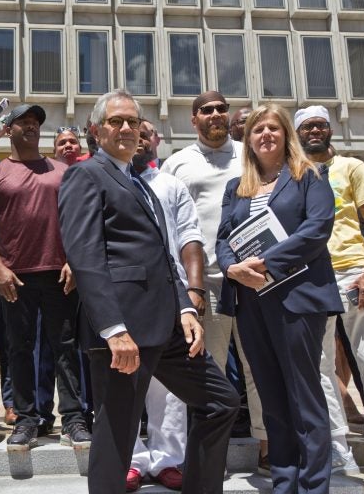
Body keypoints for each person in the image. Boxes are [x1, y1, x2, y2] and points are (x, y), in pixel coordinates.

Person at [59, 89, 239, 494]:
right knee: (116, 435)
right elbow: (86, 257)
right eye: (115, 121)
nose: (126, 128)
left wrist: (185, 309)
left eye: (132, 122)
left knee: (221, 402)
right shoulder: (85, 175)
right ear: (96, 131)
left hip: (169, 328)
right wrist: (112, 329)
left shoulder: (141, 184)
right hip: (124, 333)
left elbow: (163, 258)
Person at [216, 103, 343, 494]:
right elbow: (222, 239)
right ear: (248, 139)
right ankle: (284, 482)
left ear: (286, 134)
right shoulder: (235, 187)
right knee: (270, 394)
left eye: (273, 128)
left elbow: (317, 229)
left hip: (298, 298)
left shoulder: (310, 176)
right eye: (258, 130)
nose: (266, 135)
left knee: (303, 394)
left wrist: (264, 263)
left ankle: (313, 485)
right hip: (251, 300)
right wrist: (231, 268)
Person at [0, 103, 90, 451]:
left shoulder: (63, 171)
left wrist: (74, 260)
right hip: (15, 278)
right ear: (8, 130)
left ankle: (73, 419)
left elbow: (78, 221)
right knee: (19, 350)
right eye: (22, 122)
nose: (31, 127)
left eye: (35, 122)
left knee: (66, 349)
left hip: (59, 275)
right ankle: (26, 420)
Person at [159, 91, 266, 469]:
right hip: (207, 282)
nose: (216, 114)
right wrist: (190, 287)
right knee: (210, 371)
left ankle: (267, 445)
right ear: (194, 119)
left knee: (259, 365)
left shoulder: (249, 154)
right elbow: (170, 226)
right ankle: (209, 456)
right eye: (206, 110)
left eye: (222, 109)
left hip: (255, 276)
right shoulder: (177, 163)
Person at [295, 106, 364, 486]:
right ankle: (337, 444)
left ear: (330, 129)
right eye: (307, 126)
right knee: (320, 366)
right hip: (311, 276)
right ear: (298, 132)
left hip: (355, 272)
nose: (316, 131)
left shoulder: (352, 167)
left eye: (321, 124)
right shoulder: (294, 171)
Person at [126, 121, 206, 491]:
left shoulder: (172, 186)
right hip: (126, 296)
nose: (139, 137)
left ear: (156, 140)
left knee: (169, 383)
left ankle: (168, 459)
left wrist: (194, 290)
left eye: (146, 132)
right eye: (132, 130)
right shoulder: (109, 182)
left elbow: (190, 238)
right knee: (123, 378)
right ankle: (130, 458)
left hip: (171, 294)